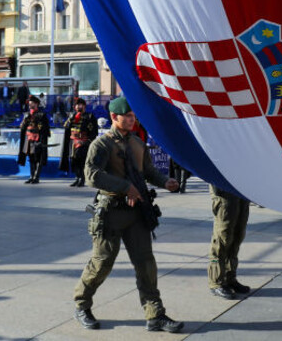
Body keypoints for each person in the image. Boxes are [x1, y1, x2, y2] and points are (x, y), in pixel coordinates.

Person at [72, 95, 183, 332]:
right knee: (101, 263)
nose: (133, 120)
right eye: (128, 116)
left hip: (137, 213)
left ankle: (155, 314)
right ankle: (82, 305)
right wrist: (125, 187)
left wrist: (166, 181)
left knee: (146, 264)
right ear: (114, 117)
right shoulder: (101, 145)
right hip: (111, 213)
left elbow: (150, 172)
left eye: (134, 116)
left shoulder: (138, 144)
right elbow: (92, 175)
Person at [208, 185, 251, 300]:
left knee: (237, 235)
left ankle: (230, 278)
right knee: (222, 239)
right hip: (224, 189)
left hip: (241, 188)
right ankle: (216, 282)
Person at [62, 98, 98, 187]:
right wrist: (70, 119)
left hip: (83, 142)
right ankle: (77, 177)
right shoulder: (72, 116)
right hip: (73, 142)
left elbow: (94, 131)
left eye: (80, 105)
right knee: (74, 161)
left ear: (84, 106)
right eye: (77, 105)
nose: (78, 106)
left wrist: (88, 141)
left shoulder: (89, 116)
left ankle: (82, 178)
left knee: (82, 161)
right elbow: (66, 127)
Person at [18, 95, 51, 184]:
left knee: (38, 158)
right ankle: (31, 176)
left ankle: (36, 177)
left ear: (36, 104)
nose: (29, 104)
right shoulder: (27, 115)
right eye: (29, 103)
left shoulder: (41, 115)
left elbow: (44, 130)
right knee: (31, 158)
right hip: (28, 139)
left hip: (37, 139)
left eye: (31, 103)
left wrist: (41, 141)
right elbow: (23, 127)